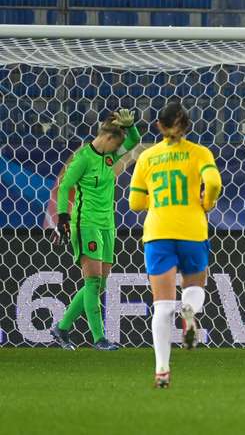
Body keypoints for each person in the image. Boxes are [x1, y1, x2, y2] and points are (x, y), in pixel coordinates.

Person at [129, 102, 222, 388]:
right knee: (194, 288)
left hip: (158, 232)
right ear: (188, 126)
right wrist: (207, 203)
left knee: (162, 307)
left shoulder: (148, 157)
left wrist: (154, 201)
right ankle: (190, 312)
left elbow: (134, 203)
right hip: (192, 229)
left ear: (158, 125)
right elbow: (214, 182)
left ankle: (161, 370)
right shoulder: (199, 153)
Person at [50, 109, 140, 351]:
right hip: (86, 223)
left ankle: (62, 328)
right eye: (116, 146)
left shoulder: (109, 156)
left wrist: (130, 126)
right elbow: (65, 186)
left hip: (107, 225)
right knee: (92, 282)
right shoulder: (83, 159)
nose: (118, 153)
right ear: (109, 139)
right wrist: (62, 218)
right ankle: (99, 339)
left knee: (100, 284)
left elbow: (134, 141)